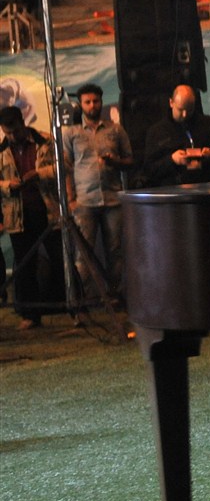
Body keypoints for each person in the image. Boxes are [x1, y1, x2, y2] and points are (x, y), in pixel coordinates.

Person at [62, 84, 134, 303]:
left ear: (101, 102)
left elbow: (130, 161)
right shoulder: (71, 133)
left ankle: (114, 295)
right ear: (80, 105)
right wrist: (71, 199)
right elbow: (66, 168)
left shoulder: (115, 130)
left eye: (96, 101)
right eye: (87, 102)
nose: (92, 105)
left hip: (112, 199)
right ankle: (84, 298)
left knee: (115, 251)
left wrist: (115, 161)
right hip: (84, 201)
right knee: (83, 253)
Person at [0, 106, 60, 329]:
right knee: (25, 265)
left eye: (15, 131)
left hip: (48, 209)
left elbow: (63, 166)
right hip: (18, 213)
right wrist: (8, 185)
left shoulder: (45, 140)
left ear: (23, 123)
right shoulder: (1, 149)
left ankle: (73, 308)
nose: (12, 136)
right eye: (7, 132)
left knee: (59, 259)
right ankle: (30, 315)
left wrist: (39, 174)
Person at [143, 84, 210, 186]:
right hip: (174, 189)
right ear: (171, 103)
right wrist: (172, 160)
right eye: (180, 109)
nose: (185, 114)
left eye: (190, 109)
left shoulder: (208, 123)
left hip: (206, 186)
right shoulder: (157, 131)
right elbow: (149, 170)